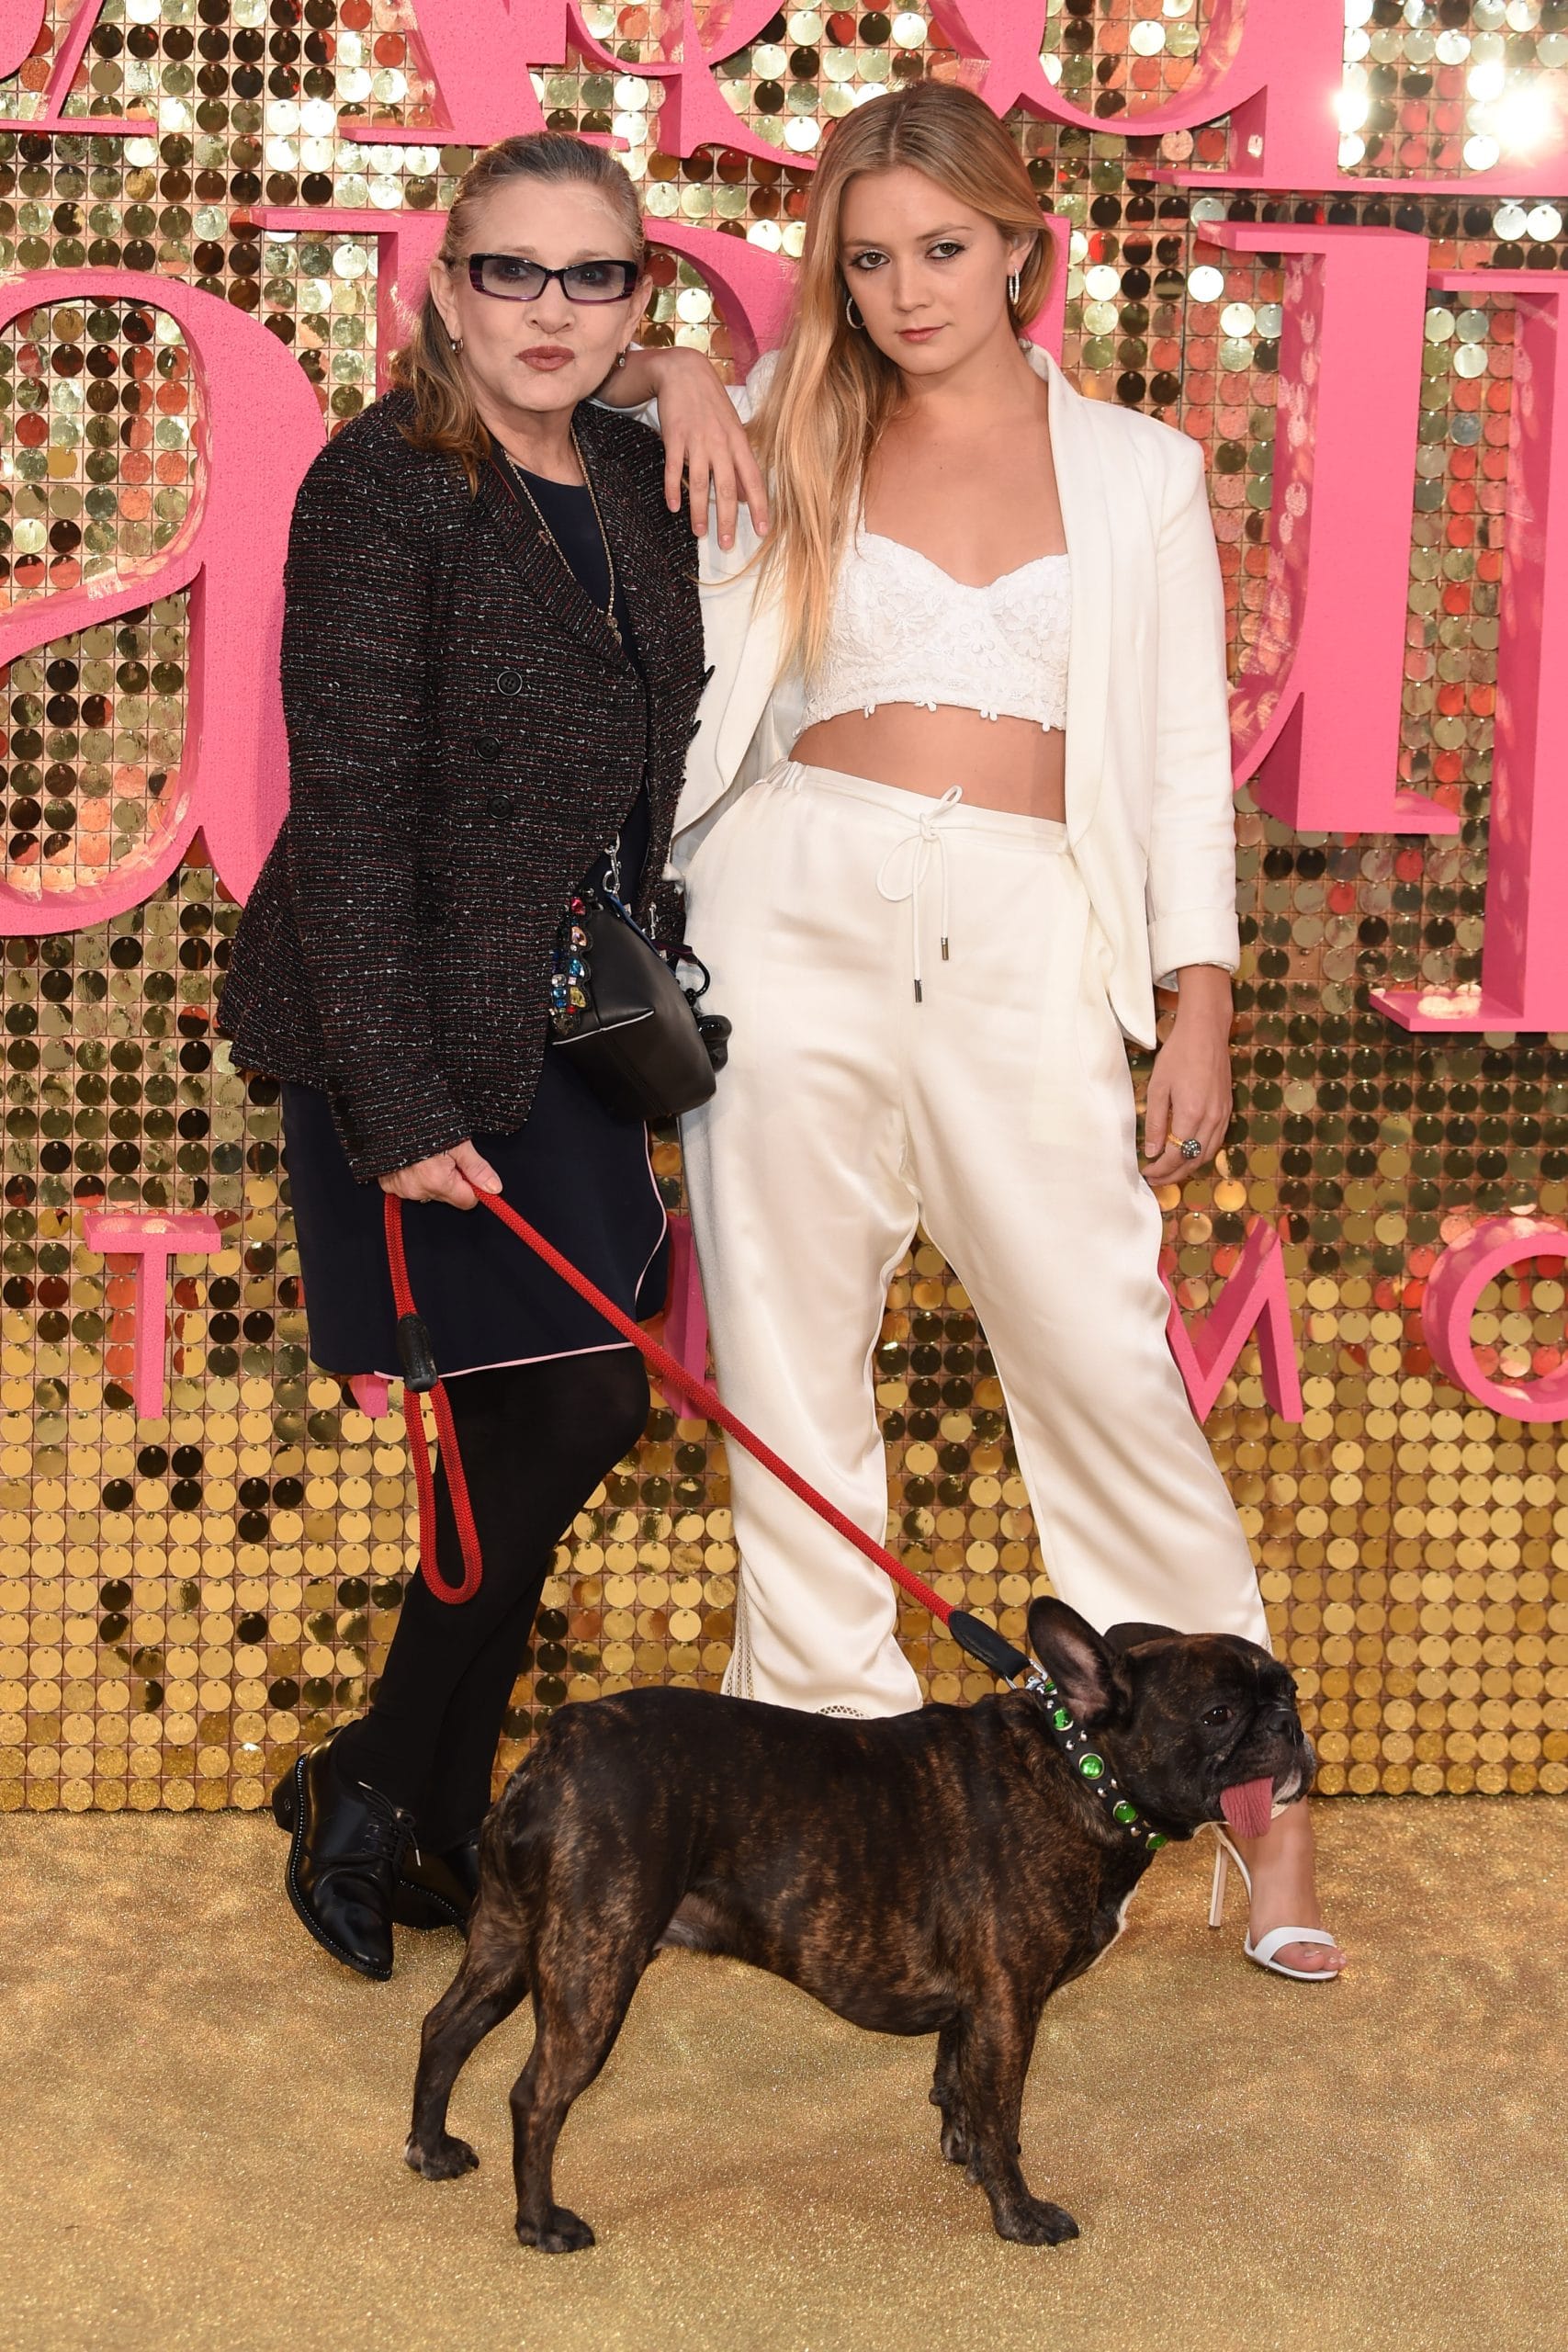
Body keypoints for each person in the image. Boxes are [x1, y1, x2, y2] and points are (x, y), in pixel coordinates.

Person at [604, 84, 1345, 1979]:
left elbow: (1177, 758)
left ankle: (1252, 1806)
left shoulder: (1134, 471)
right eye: (865, 258)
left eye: (941, 247)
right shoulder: (792, 422)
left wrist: (1198, 995)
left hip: (1027, 928)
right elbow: (556, 371)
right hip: (793, 900)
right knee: (788, 1362)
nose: (906, 288)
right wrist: (685, 362)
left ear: (1020, 243)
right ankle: (816, 1799)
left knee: (1100, 1354)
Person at [216, 132, 709, 1981]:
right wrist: (397, 1102)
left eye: (597, 279)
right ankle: (382, 1789)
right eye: (516, 271)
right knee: (558, 1406)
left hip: (569, 1019)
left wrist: (701, 371)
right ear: (446, 282)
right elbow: (344, 814)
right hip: (397, 1014)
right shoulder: (382, 485)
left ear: (635, 294)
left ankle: (397, 1786)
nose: (554, 312)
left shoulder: (647, 472)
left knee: (555, 1410)